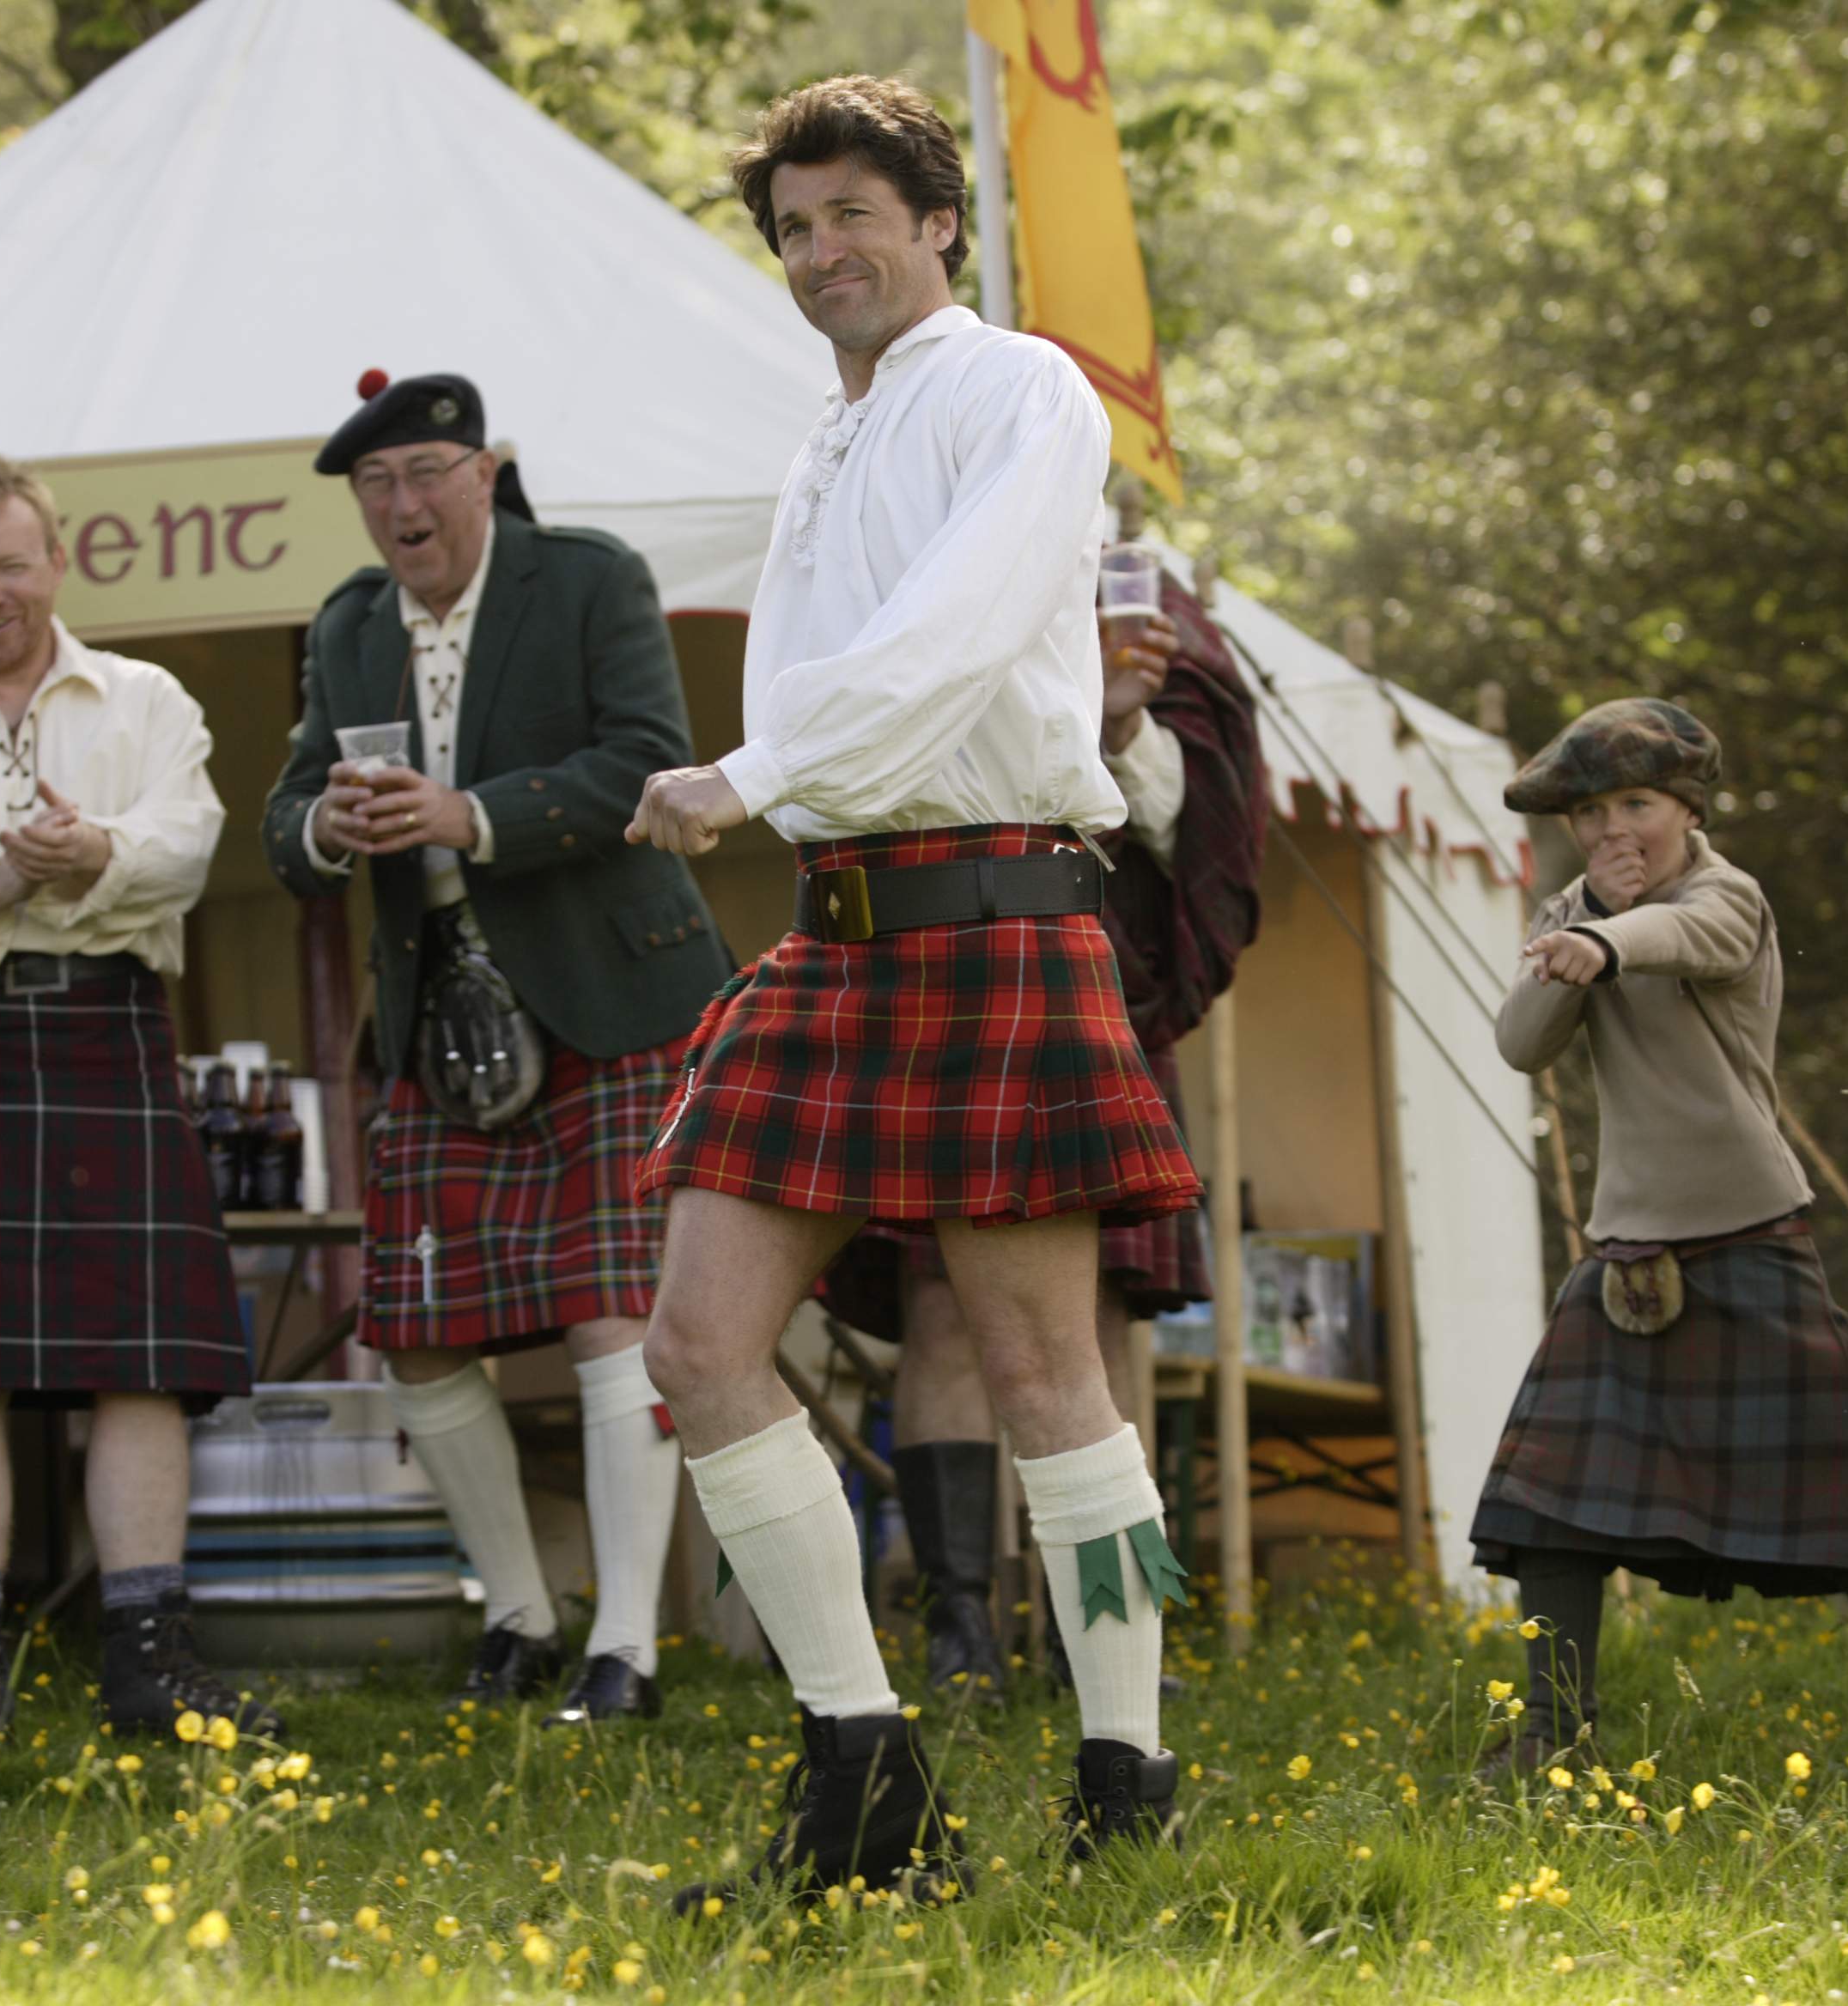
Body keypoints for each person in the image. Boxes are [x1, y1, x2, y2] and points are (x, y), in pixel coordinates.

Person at [626, 76, 1203, 1904]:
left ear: (940, 218)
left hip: (996, 907)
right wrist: (771, 781)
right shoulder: (824, 443)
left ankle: (1130, 1767)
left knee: (1048, 1377)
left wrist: (750, 773)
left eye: (849, 217)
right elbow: (832, 669)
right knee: (698, 1348)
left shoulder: (1022, 388)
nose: (819, 256)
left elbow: (953, 640)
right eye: (792, 230)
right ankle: (867, 1776)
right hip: (845, 926)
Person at [262, 368, 730, 1727]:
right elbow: (289, 804)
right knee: (412, 1335)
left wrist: (469, 816)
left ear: (484, 474)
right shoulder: (347, 628)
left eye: (424, 476)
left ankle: (626, 1648)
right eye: (376, 487)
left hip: (608, 997)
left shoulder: (586, 580)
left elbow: (648, 760)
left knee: (613, 1322)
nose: (403, 507)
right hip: (437, 1012)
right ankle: (521, 1616)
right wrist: (326, 832)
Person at [0, 458, 276, 1751]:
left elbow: (186, 845)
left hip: (109, 1029)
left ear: (55, 563)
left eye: (11, 565)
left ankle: (150, 1660)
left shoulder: (146, 700)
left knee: (143, 1361)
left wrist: (99, 858)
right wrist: (7, 881)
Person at [1474, 696, 1848, 1778]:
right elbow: (1522, 1042)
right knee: (1546, 1503)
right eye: (1590, 811)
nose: (1614, 828)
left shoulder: (1725, 893)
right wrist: (1567, 944)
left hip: (1750, 1233)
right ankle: (1553, 1739)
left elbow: (1682, 938)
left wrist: (1598, 939)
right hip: (1625, 1247)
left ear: (1686, 806)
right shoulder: (1571, 908)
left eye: (1637, 803)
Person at [840, 565, 1264, 1694]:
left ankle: (1107, 1636)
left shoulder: (1160, 609)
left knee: (1102, 1319)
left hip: (1098, 1002)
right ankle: (960, 1635)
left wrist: (1119, 723)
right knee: (941, 1312)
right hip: (944, 984)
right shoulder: (929, 572)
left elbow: (1191, 829)